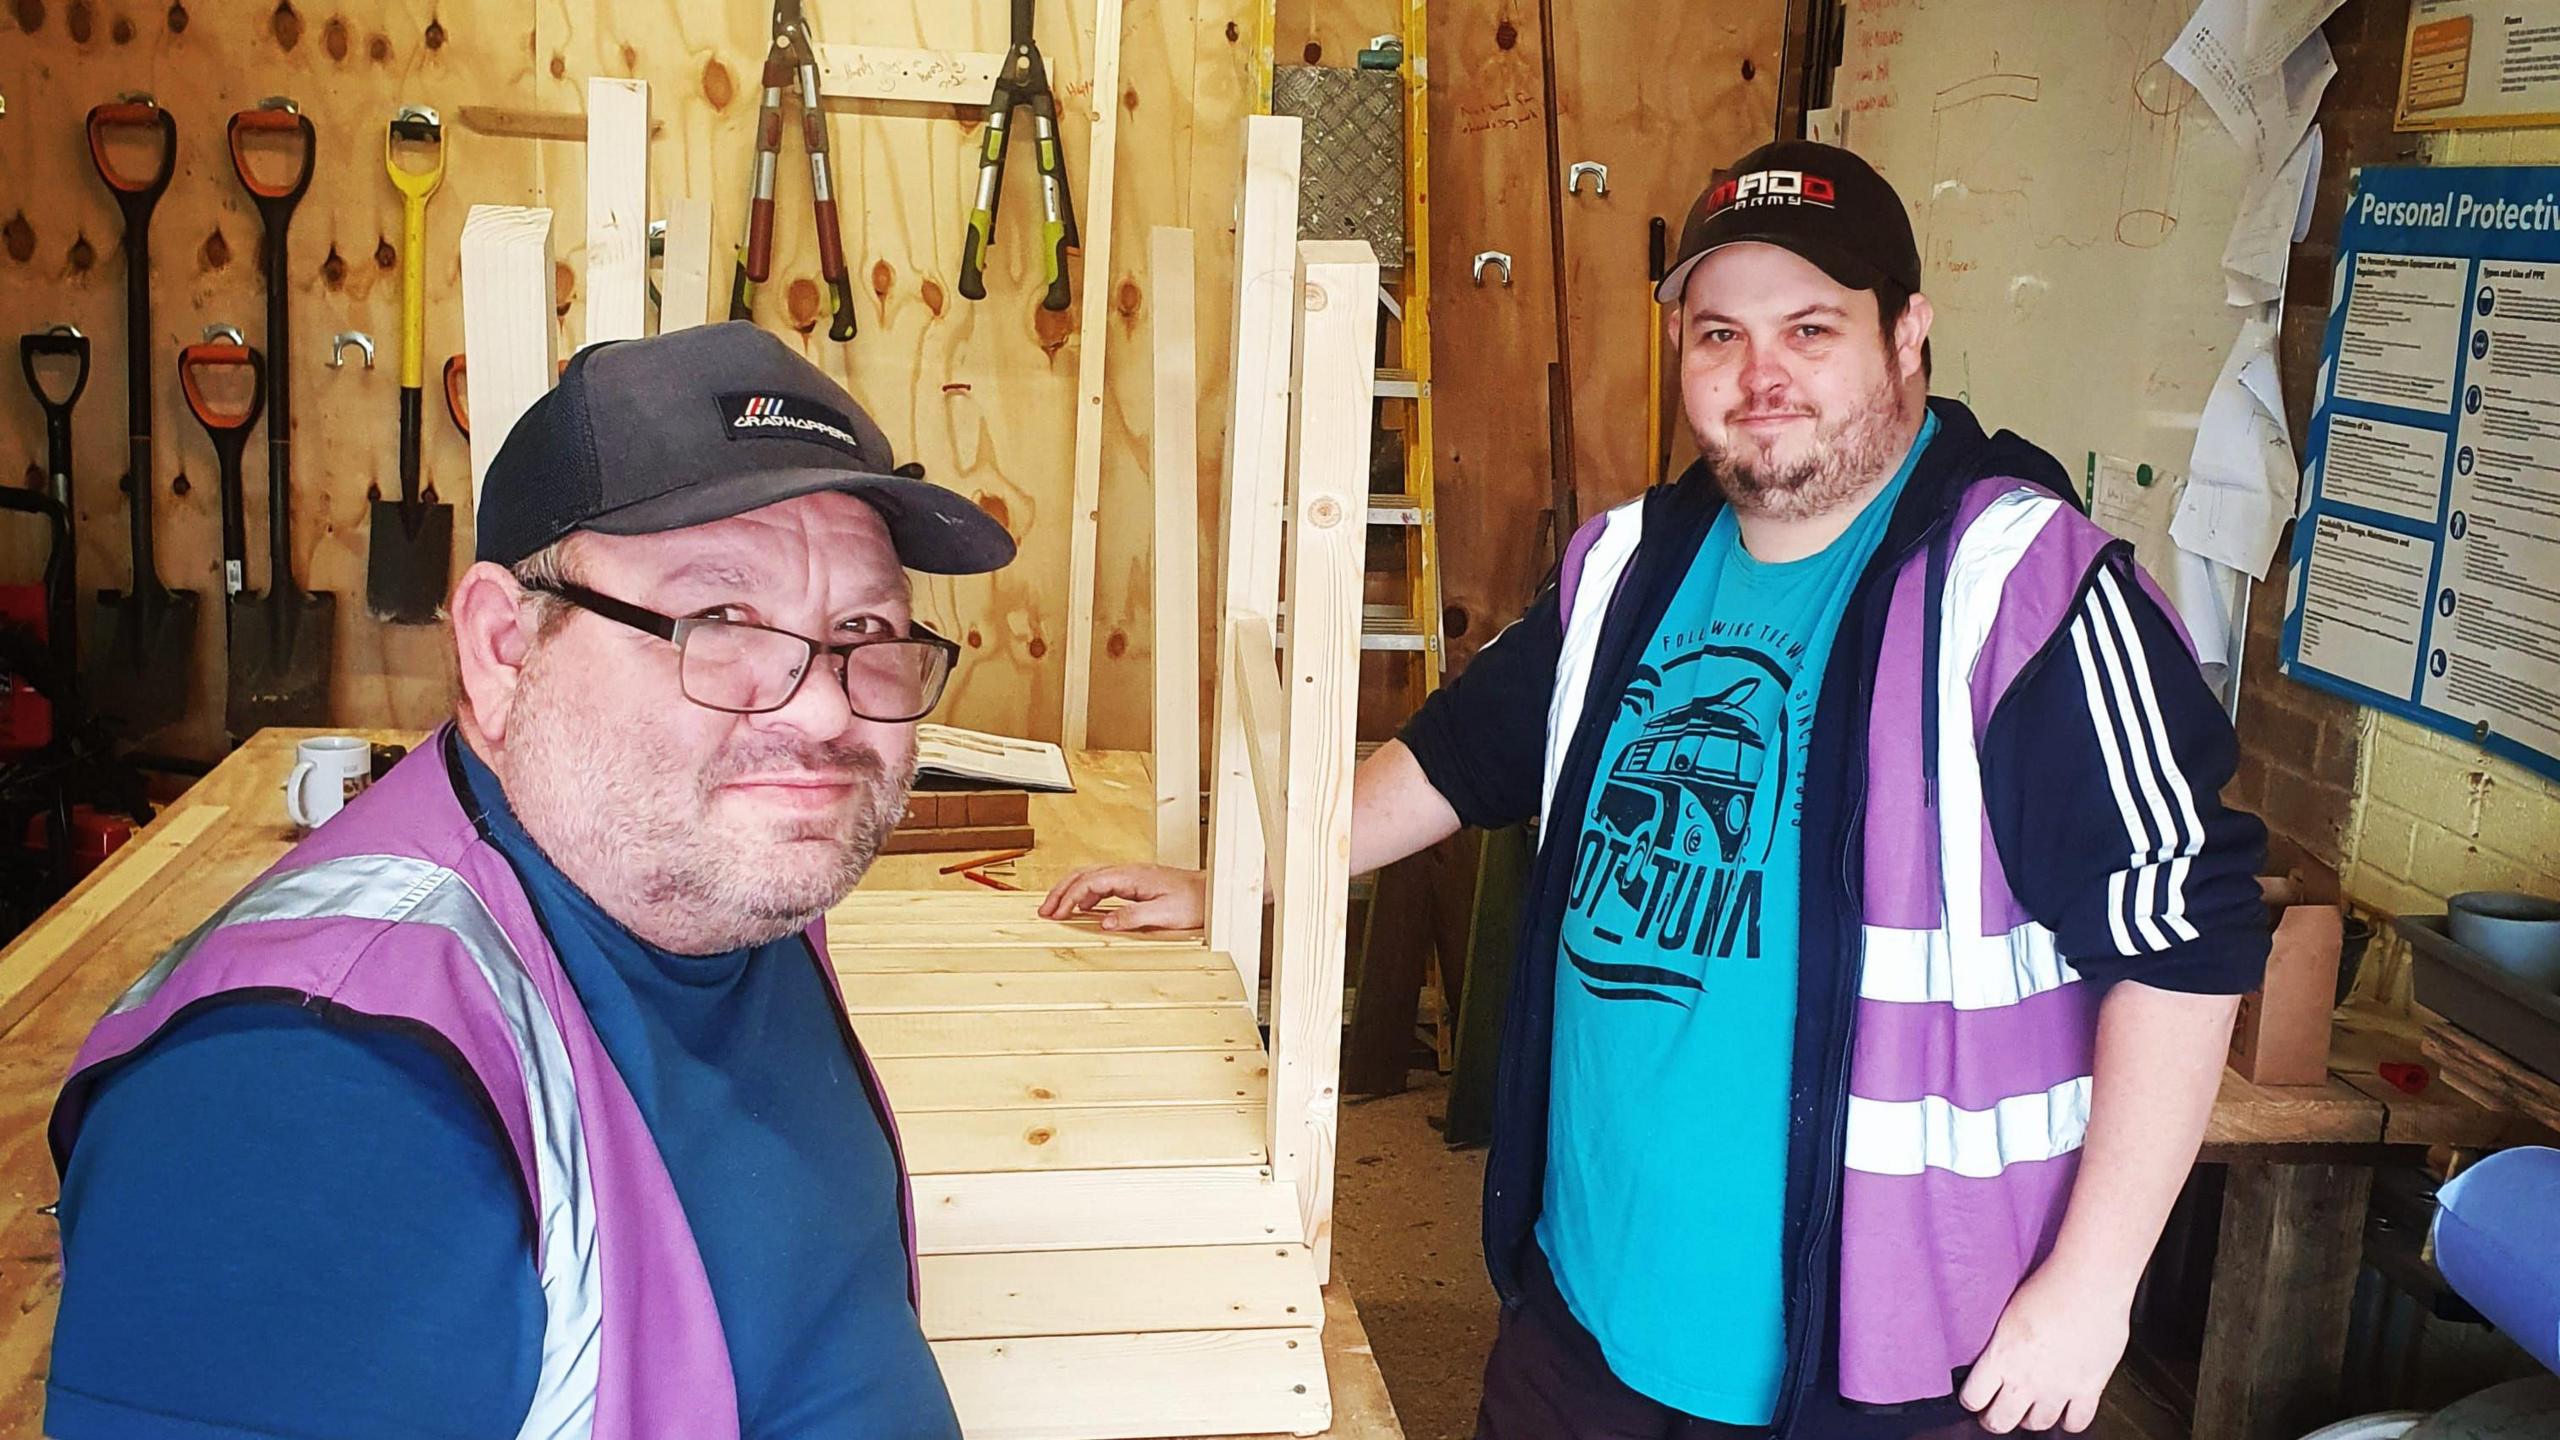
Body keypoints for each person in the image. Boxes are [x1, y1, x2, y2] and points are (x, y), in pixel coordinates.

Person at [1043, 141, 2270, 1438]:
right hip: (1585, 1314)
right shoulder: (1629, 566)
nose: (1759, 377)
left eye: (1811, 327)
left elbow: (2188, 941)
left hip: (1891, 1362)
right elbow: (1455, 762)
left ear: (1908, 336)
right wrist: (1235, 882)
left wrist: (2093, 1287)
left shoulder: (2025, 593)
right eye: (1718, 333)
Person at [44, 322, 1015, 1440]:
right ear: (505, 648)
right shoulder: (305, 1099)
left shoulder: (695, 876)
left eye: (862, 628)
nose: (821, 710)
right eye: (722, 620)